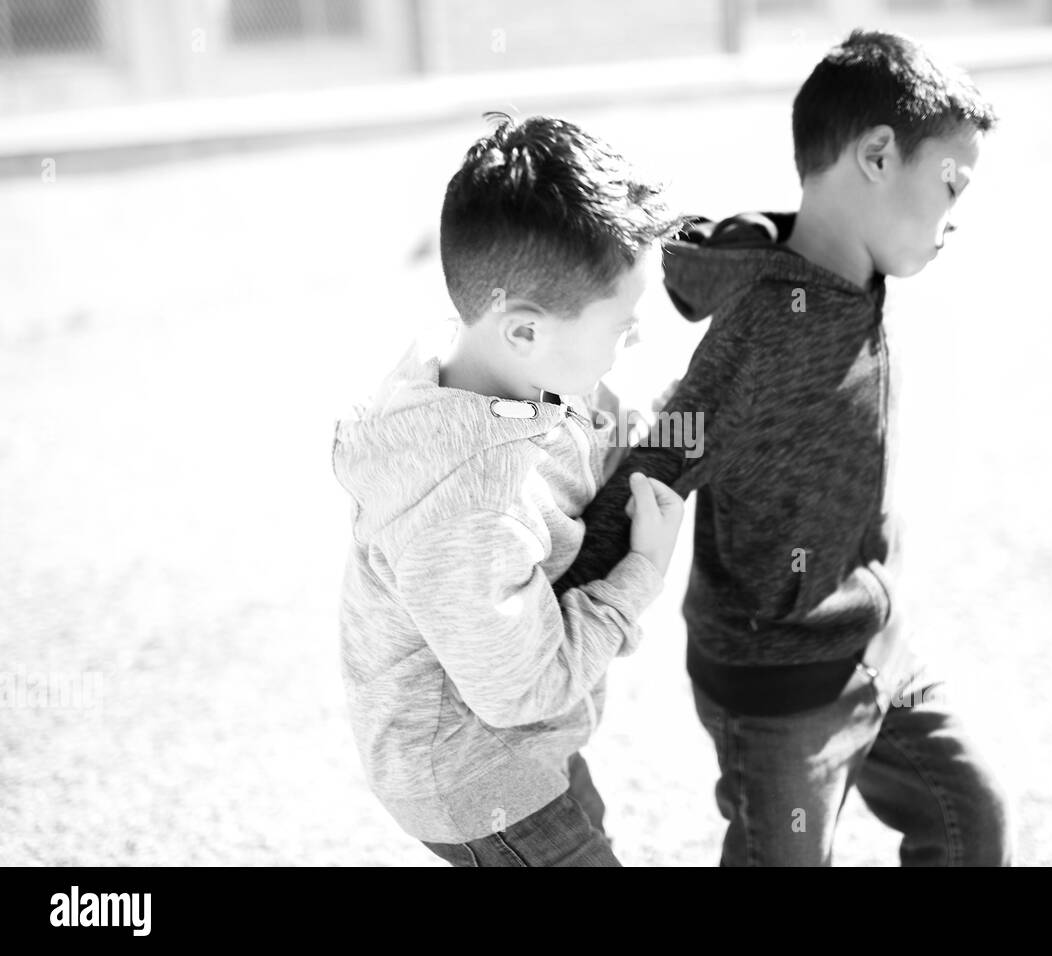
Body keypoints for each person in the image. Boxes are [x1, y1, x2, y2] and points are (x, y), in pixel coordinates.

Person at [555, 31, 1013, 866]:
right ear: (877, 155)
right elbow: (664, 452)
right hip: (779, 692)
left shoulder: (862, 268)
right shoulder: (769, 329)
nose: (957, 216)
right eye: (951, 183)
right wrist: (547, 624)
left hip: (879, 648)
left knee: (968, 818)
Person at [332, 114, 684, 867]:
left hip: (524, 749)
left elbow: (565, 425)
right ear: (523, 331)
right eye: (623, 325)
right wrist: (640, 576)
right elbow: (522, 689)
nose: (637, 341)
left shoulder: (487, 363)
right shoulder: (471, 499)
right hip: (476, 775)